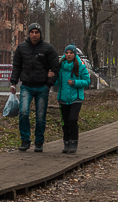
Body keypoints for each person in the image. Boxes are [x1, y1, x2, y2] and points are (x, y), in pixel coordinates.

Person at [10, 23, 59, 152]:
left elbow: (55, 67)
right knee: (24, 112)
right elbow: (16, 66)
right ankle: (25, 140)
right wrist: (13, 83)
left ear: (40, 34)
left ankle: (39, 142)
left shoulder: (48, 48)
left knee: (40, 116)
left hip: (42, 87)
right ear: (29, 33)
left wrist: (49, 83)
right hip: (26, 86)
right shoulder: (21, 48)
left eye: (37, 32)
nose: (34, 34)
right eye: (32, 32)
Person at [56, 44, 91, 154]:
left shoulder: (80, 66)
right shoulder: (60, 66)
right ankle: (66, 143)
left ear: (74, 54)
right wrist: (50, 76)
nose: (69, 55)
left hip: (76, 98)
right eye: (67, 53)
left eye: (71, 53)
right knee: (65, 121)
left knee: (72, 119)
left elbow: (87, 81)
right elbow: (56, 82)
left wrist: (75, 83)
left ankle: (74, 142)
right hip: (63, 98)